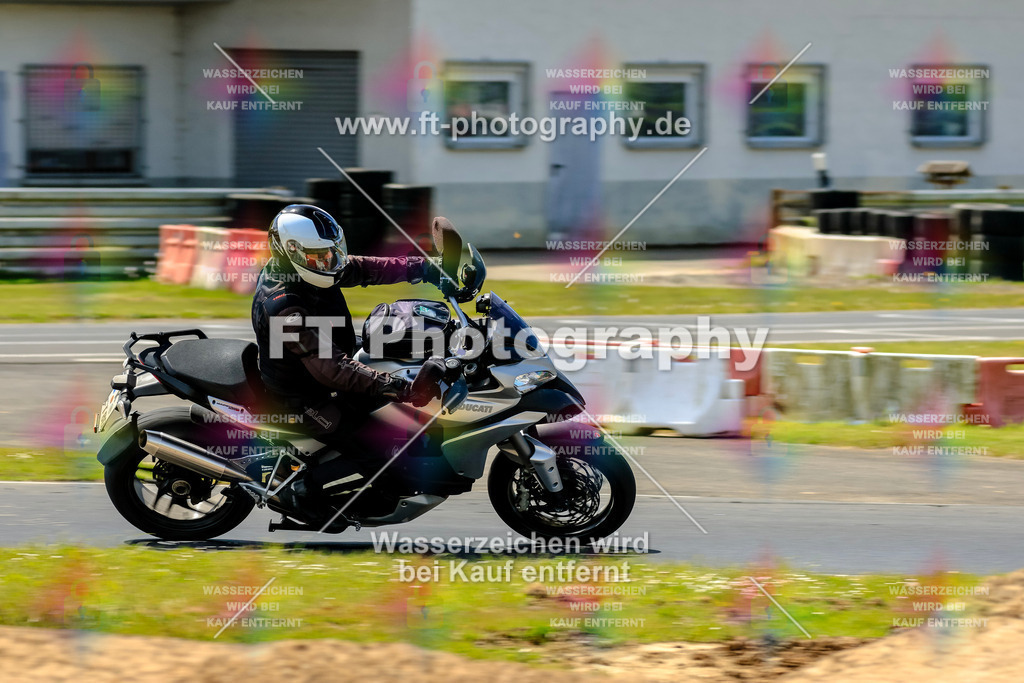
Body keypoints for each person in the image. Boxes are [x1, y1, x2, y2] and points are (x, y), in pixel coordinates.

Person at [251, 204, 448, 518]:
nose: (331, 262)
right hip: (302, 398)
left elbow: (367, 267)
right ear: (291, 253)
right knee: (377, 444)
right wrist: (402, 387)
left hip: (325, 362)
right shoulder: (284, 307)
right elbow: (331, 369)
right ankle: (301, 488)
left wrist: (425, 268)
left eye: (333, 252)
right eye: (320, 255)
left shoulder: (315, 269)